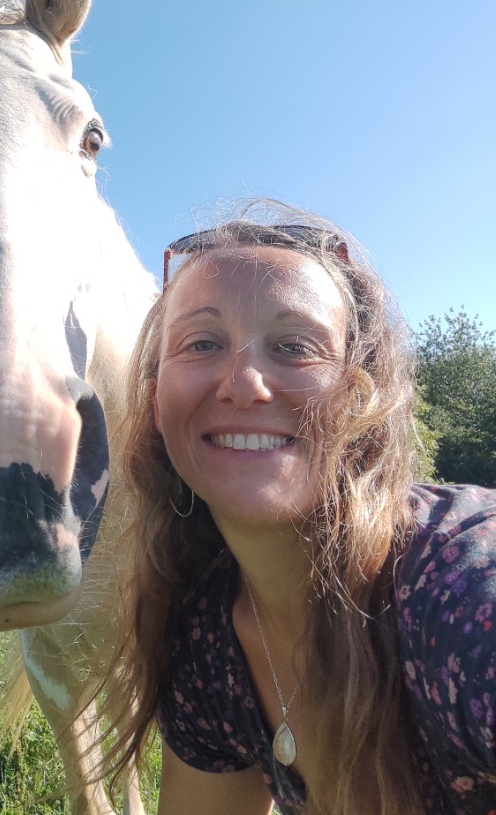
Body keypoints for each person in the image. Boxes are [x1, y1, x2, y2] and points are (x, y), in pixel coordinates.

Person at [99, 201, 496, 815]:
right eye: (202, 343)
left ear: (357, 395)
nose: (244, 382)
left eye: (293, 345)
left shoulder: (462, 595)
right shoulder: (206, 639)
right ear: (156, 403)